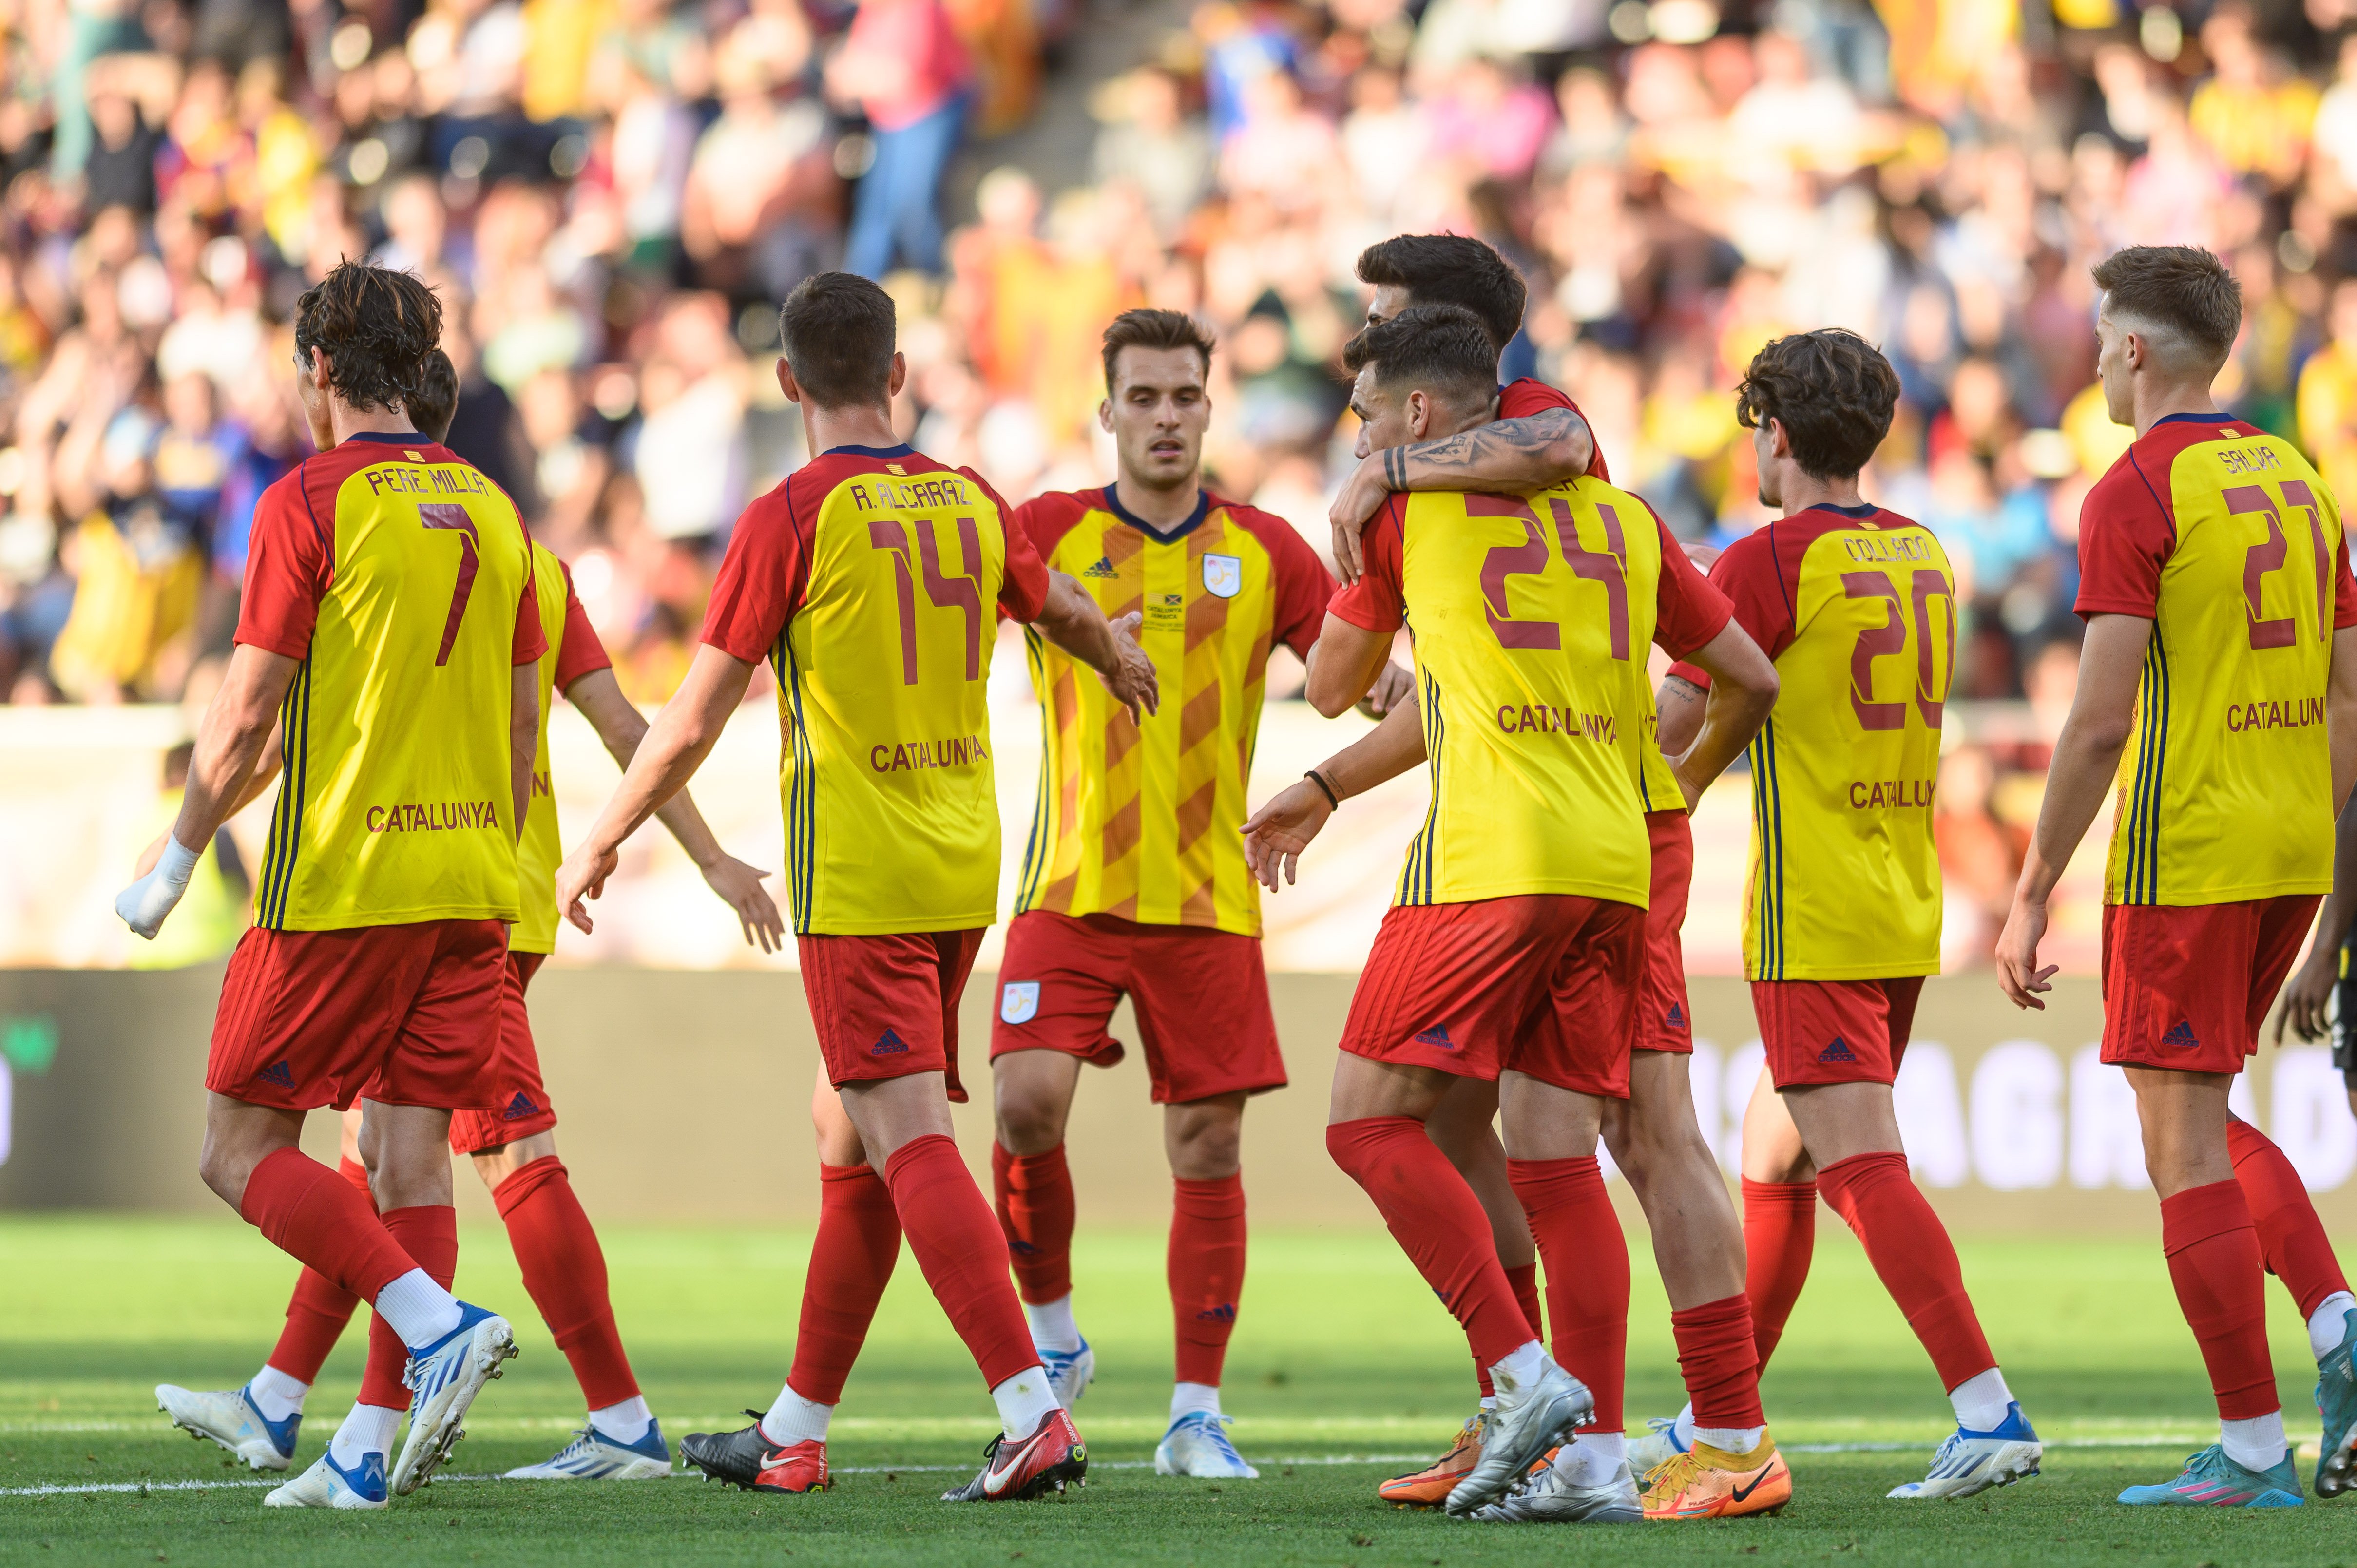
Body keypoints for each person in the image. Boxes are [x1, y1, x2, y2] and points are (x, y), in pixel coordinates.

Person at [551, 271, 1158, 1504]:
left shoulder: (790, 515)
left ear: (786, 384)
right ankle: (794, 1427)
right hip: (959, 863)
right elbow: (1061, 605)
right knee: (851, 1129)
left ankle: (1029, 1406)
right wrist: (1120, 651)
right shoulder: (971, 499)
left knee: (903, 1135)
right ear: (897, 375)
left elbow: (691, 718)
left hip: (863, 874)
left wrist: (602, 837)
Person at [154, 350, 791, 1484]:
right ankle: (294, 1402)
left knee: (487, 1153)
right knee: (382, 1152)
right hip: (487, 886)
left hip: (437, 892)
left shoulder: (376, 532)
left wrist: (192, 830)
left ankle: (609, 1415)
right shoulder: (523, 553)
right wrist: (705, 857)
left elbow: (310, 726)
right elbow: (617, 722)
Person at [1272, 305, 1778, 1521]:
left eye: (1364, 411)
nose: (1354, 434)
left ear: (1417, 413)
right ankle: (1595, 1464)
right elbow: (1746, 674)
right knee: (1559, 1151)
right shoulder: (1622, 512)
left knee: (1365, 1123)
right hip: (1619, 858)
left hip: (1491, 858)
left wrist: (1359, 561)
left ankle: (1522, 1375)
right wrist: (1680, 781)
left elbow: (1333, 686)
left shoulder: (1404, 508)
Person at [113, 262, 537, 1510]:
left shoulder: (311, 501)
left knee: (237, 1149)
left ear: (317, 372)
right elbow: (520, 737)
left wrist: (179, 850)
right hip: (471, 877)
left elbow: (247, 715)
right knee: (409, 1161)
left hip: (346, 886)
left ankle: (434, 1319)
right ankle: (360, 1449)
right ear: (416, 370)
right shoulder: (496, 508)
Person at [1999, 244, 2357, 1508]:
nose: (2091, 355)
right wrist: (2327, 887)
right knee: (2193, 1117)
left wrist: (2032, 881)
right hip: (2290, 844)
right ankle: (2330, 1330)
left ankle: (2254, 1448)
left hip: (2187, 849)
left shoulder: (2132, 488)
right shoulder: (2297, 478)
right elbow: (2346, 693)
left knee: (2177, 1141)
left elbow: (2095, 722)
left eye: (2101, 335)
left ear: (2136, 353)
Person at [1669, 327, 2040, 1503]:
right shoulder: (1923, 551)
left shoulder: (1763, 562)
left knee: (1857, 1165)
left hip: (1812, 906)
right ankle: (1715, 1416)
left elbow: (1678, 729)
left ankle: (1986, 1410)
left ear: (1772, 435)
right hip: (1898, 899)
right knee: (1774, 1148)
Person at [985, 309, 1345, 1480]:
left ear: (1209, 406)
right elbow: (949, 622)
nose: (1166, 418)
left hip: (1205, 899)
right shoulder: (1044, 533)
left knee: (1206, 1143)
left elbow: (1347, 671)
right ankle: (1053, 1340)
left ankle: (1197, 1414)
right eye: (1142, 398)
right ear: (1107, 414)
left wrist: (1393, 689)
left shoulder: (1269, 548)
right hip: (1071, 884)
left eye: (1184, 397)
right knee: (1023, 1107)